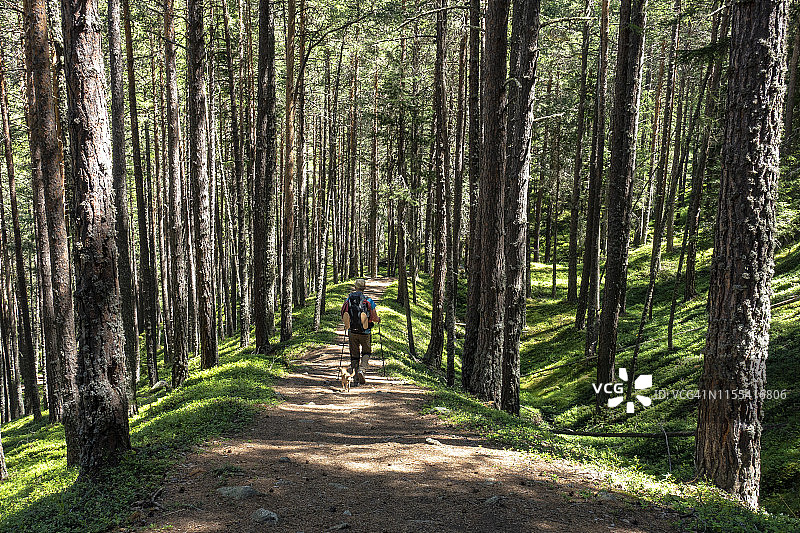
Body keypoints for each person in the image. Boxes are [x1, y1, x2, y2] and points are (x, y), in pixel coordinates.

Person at [341, 278, 380, 386]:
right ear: (365, 288)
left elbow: (344, 313)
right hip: (365, 331)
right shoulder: (368, 300)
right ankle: (361, 370)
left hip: (352, 330)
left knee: (354, 355)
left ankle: (355, 378)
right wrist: (378, 320)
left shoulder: (348, 299)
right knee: (366, 352)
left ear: (355, 287)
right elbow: (374, 316)